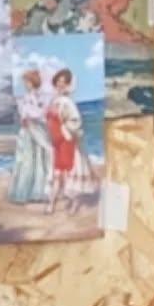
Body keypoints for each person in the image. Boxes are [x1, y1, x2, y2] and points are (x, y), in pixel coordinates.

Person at [46, 65, 91, 213]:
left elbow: (76, 120)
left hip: (67, 142)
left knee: (68, 172)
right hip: (56, 142)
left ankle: (73, 204)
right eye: (58, 81)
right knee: (57, 173)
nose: (60, 84)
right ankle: (52, 203)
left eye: (63, 81)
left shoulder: (67, 102)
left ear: (67, 84)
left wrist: (65, 130)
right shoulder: (54, 100)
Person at [8, 67, 52, 205]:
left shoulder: (39, 97)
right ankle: (24, 192)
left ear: (32, 82)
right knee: (27, 160)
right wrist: (26, 115)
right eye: (25, 82)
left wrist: (29, 116)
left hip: (36, 130)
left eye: (27, 82)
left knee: (38, 160)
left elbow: (41, 114)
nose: (25, 85)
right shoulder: (26, 98)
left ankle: (37, 192)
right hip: (28, 132)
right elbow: (25, 114)